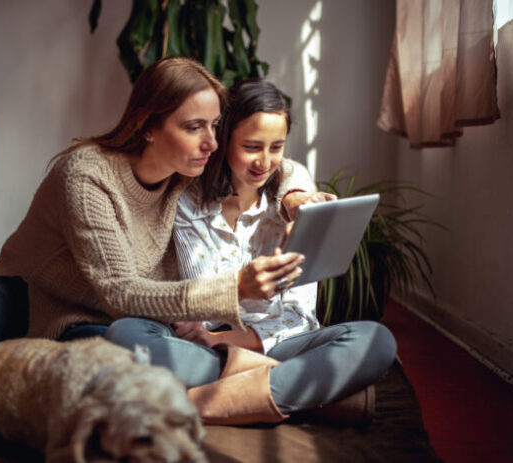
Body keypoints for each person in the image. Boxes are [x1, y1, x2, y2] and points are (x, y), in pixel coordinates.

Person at [0, 57, 315, 384]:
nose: (210, 142)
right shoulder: (88, 175)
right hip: (17, 293)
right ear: (147, 126)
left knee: (130, 377)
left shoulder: (191, 168)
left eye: (213, 127)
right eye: (193, 128)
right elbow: (120, 289)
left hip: (92, 321)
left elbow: (268, 158)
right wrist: (237, 288)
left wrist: (297, 193)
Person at [105, 79, 397, 425]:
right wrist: (201, 334)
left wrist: (217, 338)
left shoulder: (296, 208)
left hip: (272, 346)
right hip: (197, 350)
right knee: (126, 336)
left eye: (277, 147)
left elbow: (297, 317)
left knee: (376, 341)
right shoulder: (183, 203)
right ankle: (304, 394)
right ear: (224, 139)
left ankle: (195, 405)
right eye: (251, 146)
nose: (265, 161)